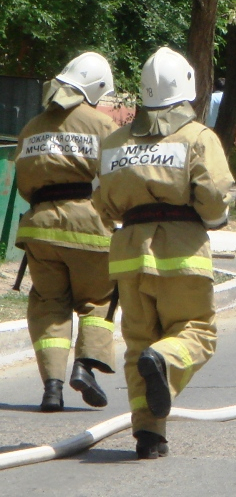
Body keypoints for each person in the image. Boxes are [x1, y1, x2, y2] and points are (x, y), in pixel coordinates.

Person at [96, 47, 235, 459]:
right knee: (197, 332)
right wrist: (213, 217)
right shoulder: (197, 137)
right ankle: (165, 359)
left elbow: (102, 204)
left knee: (138, 343)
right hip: (182, 251)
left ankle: (149, 436)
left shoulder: (115, 142)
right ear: (187, 86)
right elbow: (213, 196)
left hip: (128, 255)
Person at [14, 52, 119, 412]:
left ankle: (52, 388)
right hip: (90, 226)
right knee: (99, 300)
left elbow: (25, 184)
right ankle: (86, 367)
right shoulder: (102, 125)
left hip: (40, 229)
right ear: (96, 89)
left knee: (49, 305)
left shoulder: (31, 127)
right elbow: (116, 178)